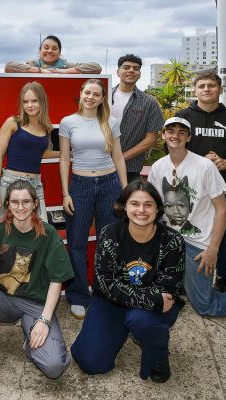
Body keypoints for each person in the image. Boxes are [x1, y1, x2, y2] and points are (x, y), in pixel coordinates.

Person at [148, 117, 226, 317]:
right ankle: (181, 284)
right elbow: (155, 208)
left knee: (206, 306)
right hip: (169, 241)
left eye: (182, 132)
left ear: (189, 137)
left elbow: (223, 210)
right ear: (163, 135)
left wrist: (212, 250)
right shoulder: (157, 167)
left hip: (198, 244)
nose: (175, 136)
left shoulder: (204, 166)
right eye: (170, 131)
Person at [0, 179, 74, 378]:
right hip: (2, 300)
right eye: (15, 202)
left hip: (35, 305)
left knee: (54, 368)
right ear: (7, 204)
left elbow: (56, 280)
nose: (20, 207)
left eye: (26, 201)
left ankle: (30, 335)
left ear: (35, 203)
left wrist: (44, 319)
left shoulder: (48, 234)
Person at [71, 180, 185, 383]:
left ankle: (158, 348)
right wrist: (150, 298)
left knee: (139, 320)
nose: (141, 210)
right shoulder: (109, 234)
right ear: (123, 207)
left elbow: (167, 291)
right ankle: (118, 331)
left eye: (148, 204)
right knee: (91, 363)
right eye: (134, 204)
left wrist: (150, 301)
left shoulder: (172, 240)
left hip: (149, 310)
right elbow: (106, 284)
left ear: (158, 209)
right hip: (112, 303)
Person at [175, 71, 226, 293]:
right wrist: (200, 163)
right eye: (201, 86)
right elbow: (170, 146)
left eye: (211, 85)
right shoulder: (182, 117)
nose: (207, 89)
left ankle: (222, 278)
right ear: (195, 90)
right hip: (189, 186)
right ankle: (183, 278)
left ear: (220, 89)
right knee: (185, 230)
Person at [59, 78, 128, 319]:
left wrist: (125, 191)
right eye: (87, 92)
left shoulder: (111, 122)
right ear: (80, 94)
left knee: (107, 241)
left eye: (96, 94)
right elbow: (65, 158)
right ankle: (78, 294)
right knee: (77, 242)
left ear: (102, 98)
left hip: (109, 184)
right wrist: (66, 192)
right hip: (80, 186)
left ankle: (104, 290)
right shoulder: (68, 122)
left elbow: (119, 157)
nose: (90, 97)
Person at [0, 81, 59, 222]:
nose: (29, 105)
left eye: (34, 101)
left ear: (42, 102)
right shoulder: (13, 123)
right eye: (25, 101)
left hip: (35, 185)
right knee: (4, 234)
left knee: (42, 229)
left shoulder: (46, 127)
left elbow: (41, 154)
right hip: (10, 183)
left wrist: (68, 153)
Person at [110, 54, 164, 183]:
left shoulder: (149, 102)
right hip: (99, 164)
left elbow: (151, 139)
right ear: (118, 72)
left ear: (139, 74)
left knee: (127, 202)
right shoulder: (103, 96)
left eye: (135, 68)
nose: (131, 71)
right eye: (126, 67)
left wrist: (121, 157)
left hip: (131, 167)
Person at [5, 35, 101, 74]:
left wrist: (62, 72)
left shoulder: (66, 66)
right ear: (39, 51)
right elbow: (9, 66)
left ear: (59, 53)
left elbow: (96, 68)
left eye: (54, 49)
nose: (50, 51)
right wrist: (41, 71)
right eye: (46, 48)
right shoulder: (32, 64)